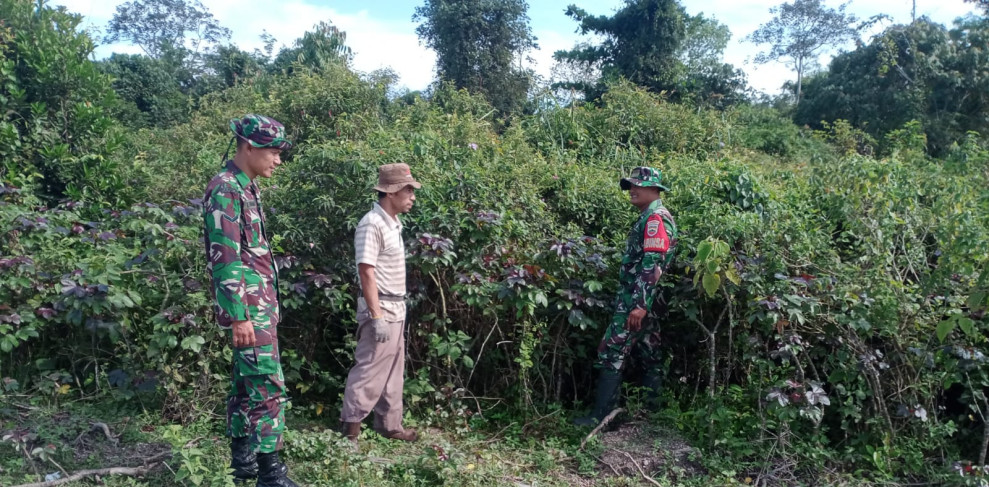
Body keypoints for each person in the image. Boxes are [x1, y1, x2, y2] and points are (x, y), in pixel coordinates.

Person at [203, 114, 299, 487]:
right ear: (248, 147)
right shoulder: (226, 189)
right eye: (273, 152)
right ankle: (271, 474)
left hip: (258, 306)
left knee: (246, 384)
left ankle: (243, 463)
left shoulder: (247, 186)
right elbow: (225, 257)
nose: (278, 160)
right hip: (248, 309)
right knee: (268, 385)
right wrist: (239, 316)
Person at [574, 166, 678, 426]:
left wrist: (639, 305)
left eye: (637, 185)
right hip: (646, 300)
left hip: (638, 301)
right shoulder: (650, 217)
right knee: (649, 352)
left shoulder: (655, 219)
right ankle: (652, 416)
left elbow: (652, 265)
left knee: (611, 351)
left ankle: (602, 419)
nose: (632, 190)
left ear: (654, 189)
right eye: (630, 185)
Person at [340, 163, 422, 447]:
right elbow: (366, 271)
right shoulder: (372, 223)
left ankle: (390, 426)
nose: (412, 197)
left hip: (396, 308)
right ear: (391, 192)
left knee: (393, 371)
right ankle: (350, 432)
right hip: (382, 308)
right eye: (408, 191)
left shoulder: (392, 223)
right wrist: (376, 316)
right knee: (369, 370)